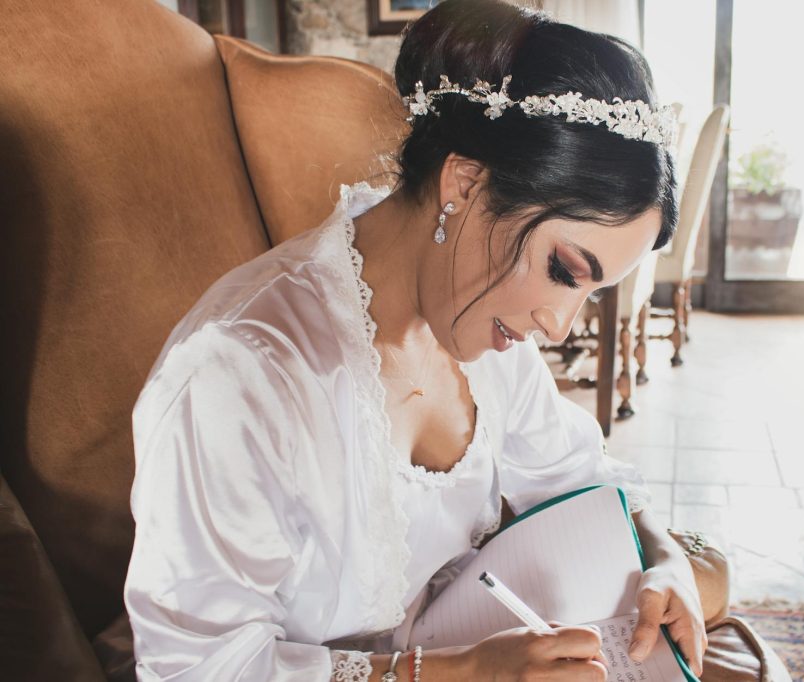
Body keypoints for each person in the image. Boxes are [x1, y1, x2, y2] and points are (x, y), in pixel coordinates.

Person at [124, 1, 721, 680]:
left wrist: (663, 558)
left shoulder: (486, 340)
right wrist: (462, 673)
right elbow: (199, 670)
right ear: (464, 182)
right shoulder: (239, 372)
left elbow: (581, 478)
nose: (558, 326)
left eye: (590, 293)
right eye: (562, 271)